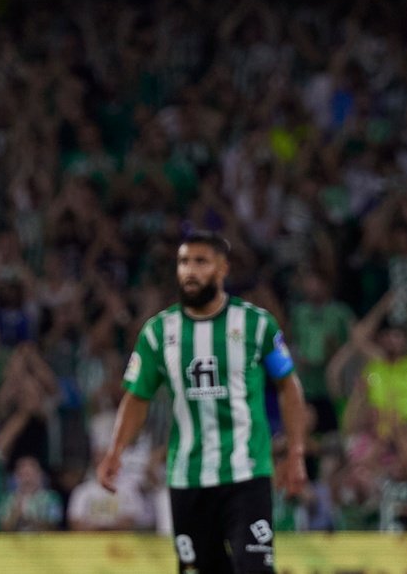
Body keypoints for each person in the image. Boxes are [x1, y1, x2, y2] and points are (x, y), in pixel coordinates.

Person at [98, 231, 308, 574]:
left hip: (246, 473)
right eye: (183, 262)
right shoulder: (157, 332)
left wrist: (296, 451)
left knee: (255, 568)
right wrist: (116, 450)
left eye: (200, 262)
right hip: (187, 477)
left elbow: (288, 386)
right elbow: (138, 398)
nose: (190, 271)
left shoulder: (256, 324)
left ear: (222, 269)